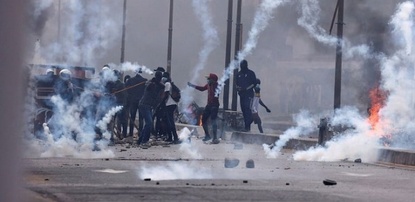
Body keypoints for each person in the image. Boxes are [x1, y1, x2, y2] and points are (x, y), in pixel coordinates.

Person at [187, 73, 220, 144]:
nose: (207, 80)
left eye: (209, 79)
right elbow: (202, 89)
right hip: (209, 105)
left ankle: (215, 138)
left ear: (212, 80)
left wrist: (212, 86)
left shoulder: (217, 86)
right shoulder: (209, 85)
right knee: (204, 119)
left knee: (213, 121)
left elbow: (216, 94)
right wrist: (192, 86)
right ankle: (207, 135)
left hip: (214, 105)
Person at [137, 71, 165, 146]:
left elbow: (160, 96)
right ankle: (144, 141)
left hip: (150, 106)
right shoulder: (150, 83)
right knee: (149, 123)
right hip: (144, 105)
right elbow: (148, 87)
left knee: (148, 124)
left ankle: (140, 141)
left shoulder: (160, 86)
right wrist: (154, 82)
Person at [158, 72, 180, 144]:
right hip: (171, 104)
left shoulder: (167, 84)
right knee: (168, 121)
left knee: (170, 122)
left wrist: (161, 103)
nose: (162, 78)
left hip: (170, 104)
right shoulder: (169, 83)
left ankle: (175, 138)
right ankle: (170, 137)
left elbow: (166, 95)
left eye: (163, 77)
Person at [125, 69, 147, 141]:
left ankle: (131, 133)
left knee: (132, 117)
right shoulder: (144, 80)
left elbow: (126, 90)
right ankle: (140, 133)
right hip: (141, 101)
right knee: (141, 118)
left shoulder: (130, 80)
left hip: (133, 101)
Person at [236, 59, 257, 132]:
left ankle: (248, 125)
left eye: (243, 65)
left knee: (248, 109)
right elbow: (237, 84)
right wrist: (238, 89)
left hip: (249, 94)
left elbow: (254, 83)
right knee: (244, 110)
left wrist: (246, 89)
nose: (242, 67)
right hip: (242, 95)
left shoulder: (251, 73)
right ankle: (246, 127)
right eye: (241, 65)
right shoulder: (238, 74)